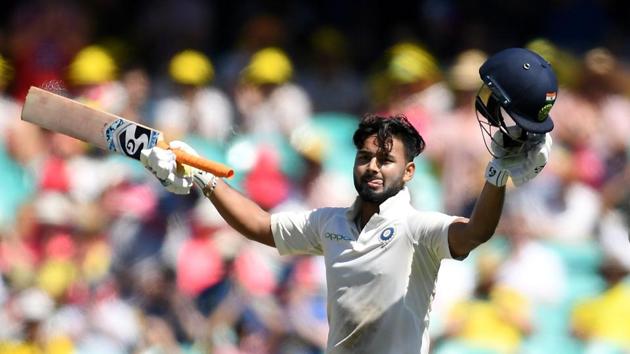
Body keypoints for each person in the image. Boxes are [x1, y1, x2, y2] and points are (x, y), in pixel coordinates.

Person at [140, 48, 557, 353]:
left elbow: (476, 232)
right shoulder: (329, 223)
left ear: (409, 172)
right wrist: (201, 173)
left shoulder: (416, 228)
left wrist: (496, 173)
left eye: (387, 160)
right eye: (365, 157)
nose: (374, 167)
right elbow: (259, 225)